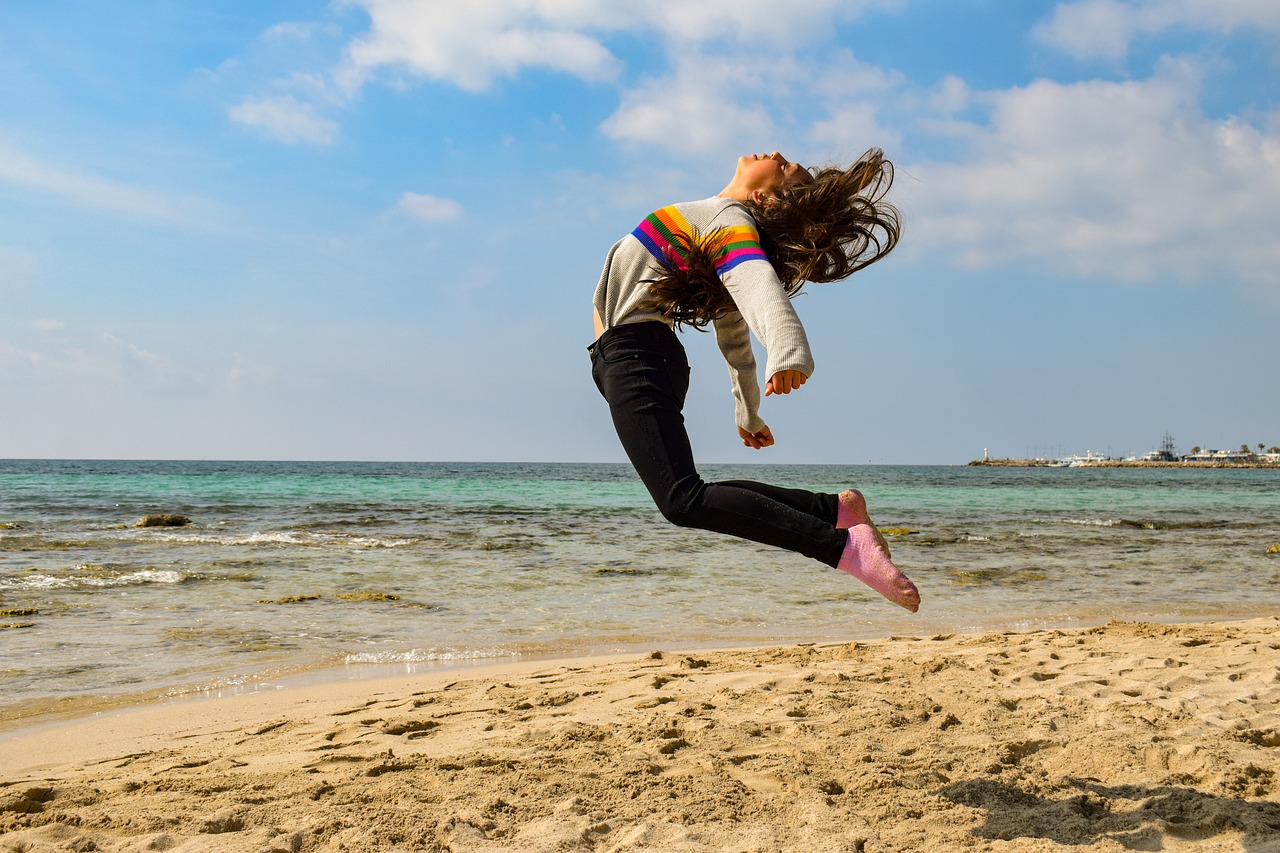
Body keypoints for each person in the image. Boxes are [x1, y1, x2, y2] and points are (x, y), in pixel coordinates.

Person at [588, 150, 920, 612]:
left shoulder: (729, 219)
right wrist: (747, 410)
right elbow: (734, 335)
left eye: (786, 169)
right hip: (632, 358)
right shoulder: (709, 224)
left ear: (763, 198)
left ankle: (842, 546)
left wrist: (788, 349)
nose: (780, 155)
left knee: (682, 499)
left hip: (637, 356)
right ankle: (836, 511)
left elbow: (758, 282)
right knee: (685, 492)